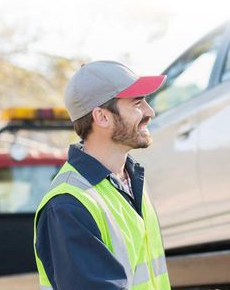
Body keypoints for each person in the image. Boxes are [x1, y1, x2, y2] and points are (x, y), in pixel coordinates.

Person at [34, 60, 171, 290]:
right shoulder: (68, 205)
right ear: (102, 117)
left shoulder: (131, 181)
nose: (149, 112)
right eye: (137, 103)